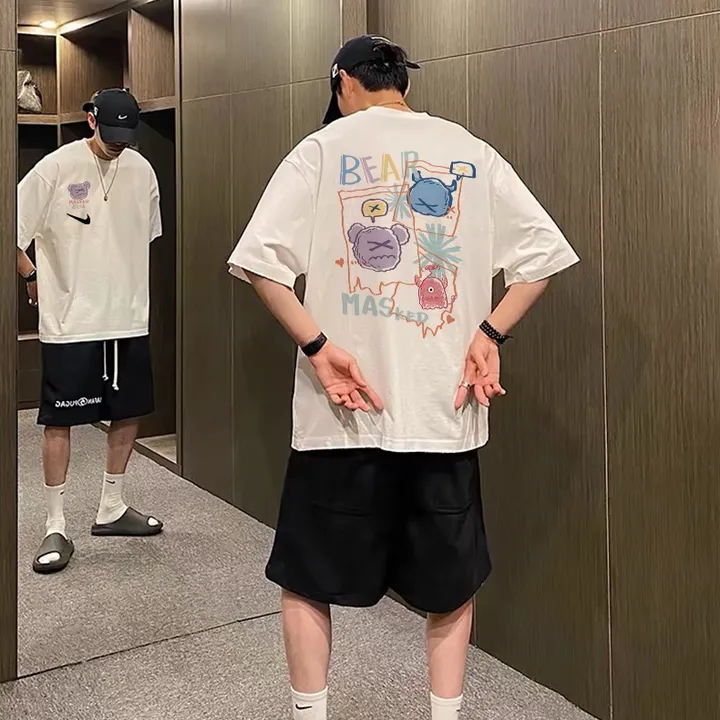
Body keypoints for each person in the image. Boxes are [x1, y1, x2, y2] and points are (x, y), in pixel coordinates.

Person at [228, 35, 580, 720]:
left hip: (342, 414)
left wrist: (318, 347)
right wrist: (488, 333)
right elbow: (541, 256)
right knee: (451, 586)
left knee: (309, 579)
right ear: (403, 83)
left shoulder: (320, 150)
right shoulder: (469, 150)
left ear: (342, 82)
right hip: (442, 412)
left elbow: (261, 263)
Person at [17, 88, 164, 575]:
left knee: (128, 411)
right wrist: (31, 275)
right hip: (70, 319)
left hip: (128, 316)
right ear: (91, 121)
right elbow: (10, 230)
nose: (118, 143)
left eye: (126, 136)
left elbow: (142, 236)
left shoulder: (142, 171)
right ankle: (55, 524)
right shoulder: (56, 167)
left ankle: (112, 507)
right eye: (111, 133)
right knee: (59, 421)